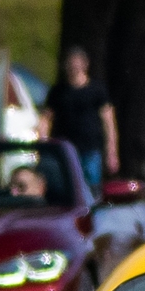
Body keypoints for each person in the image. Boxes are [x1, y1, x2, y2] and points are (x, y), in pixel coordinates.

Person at [41, 47, 118, 191]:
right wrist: (43, 142)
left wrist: (111, 151)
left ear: (85, 65)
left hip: (90, 149)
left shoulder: (97, 90)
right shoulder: (58, 92)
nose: (73, 66)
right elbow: (46, 119)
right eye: (70, 63)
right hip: (65, 149)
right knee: (66, 187)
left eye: (76, 63)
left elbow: (108, 122)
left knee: (92, 188)